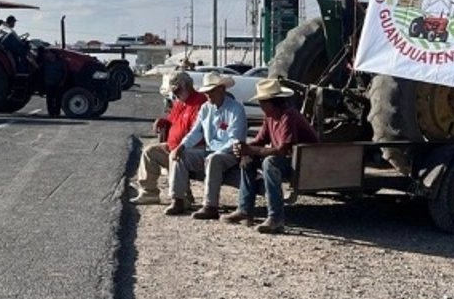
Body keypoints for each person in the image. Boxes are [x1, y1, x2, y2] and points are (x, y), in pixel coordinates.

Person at [222, 78, 319, 233]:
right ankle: (245, 209)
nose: (260, 105)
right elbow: (261, 140)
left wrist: (249, 149)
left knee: (270, 163)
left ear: (271, 102)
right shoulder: (271, 116)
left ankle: (276, 218)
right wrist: (243, 148)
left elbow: (282, 149)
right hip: (292, 159)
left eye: (262, 102)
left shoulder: (288, 116)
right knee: (248, 160)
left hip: (305, 162)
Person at [167, 72, 247, 219]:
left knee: (213, 159)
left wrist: (215, 153)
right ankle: (178, 199)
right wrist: (182, 146)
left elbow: (235, 139)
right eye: (206, 92)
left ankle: (210, 206)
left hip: (230, 153)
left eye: (211, 92)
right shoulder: (205, 108)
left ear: (222, 90)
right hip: (209, 151)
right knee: (181, 155)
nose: (208, 95)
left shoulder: (236, 109)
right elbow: (196, 132)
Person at [130, 71, 207, 205]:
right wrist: (163, 122)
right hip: (173, 147)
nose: (175, 94)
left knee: (176, 158)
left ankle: (182, 197)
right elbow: (172, 121)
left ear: (187, 86)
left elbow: (196, 132)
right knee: (149, 152)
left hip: (191, 149)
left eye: (177, 90)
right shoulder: (179, 103)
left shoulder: (200, 103)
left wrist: (180, 147)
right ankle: (149, 193)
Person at [40, 49, 68, 117]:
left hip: (58, 83)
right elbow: (39, 70)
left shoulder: (60, 62)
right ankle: (51, 113)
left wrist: (62, 81)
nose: (48, 55)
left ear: (54, 54)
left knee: (58, 99)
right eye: (47, 53)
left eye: (50, 53)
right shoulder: (45, 63)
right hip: (48, 83)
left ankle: (57, 113)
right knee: (49, 99)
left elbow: (65, 72)